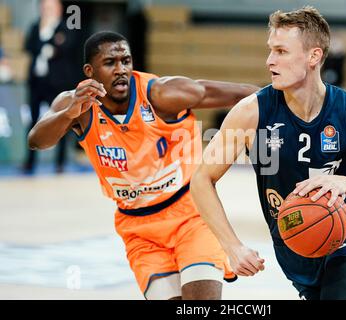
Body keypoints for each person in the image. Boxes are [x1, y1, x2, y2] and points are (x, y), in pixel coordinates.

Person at [191, 6, 346, 300]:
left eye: (281, 51)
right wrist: (232, 246)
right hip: (293, 237)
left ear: (313, 56)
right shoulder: (251, 112)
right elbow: (201, 179)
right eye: (271, 50)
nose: (269, 61)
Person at [28, 31, 259, 300]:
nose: (121, 70)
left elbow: (242, 96)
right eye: (110, 62)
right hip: (138, 229)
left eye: (126, 60)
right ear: (90, 71)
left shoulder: (161, 94)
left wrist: (284, 97)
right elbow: (36, 141)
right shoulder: (76, 104)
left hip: (189, 214)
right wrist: (70, 112)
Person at [24, 0, 80, 174]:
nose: (46, 10)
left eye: (50, 7)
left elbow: (66, 48)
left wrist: (50, 44)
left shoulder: (66, 27)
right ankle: (30, 162)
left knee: (60, 119)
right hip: (37, 82)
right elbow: (29, 46)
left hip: (57, 83)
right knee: (32, 121)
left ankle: (60, 163)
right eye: (44, 7)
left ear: (58, 9)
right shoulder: (36, 27)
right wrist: (49, 41)